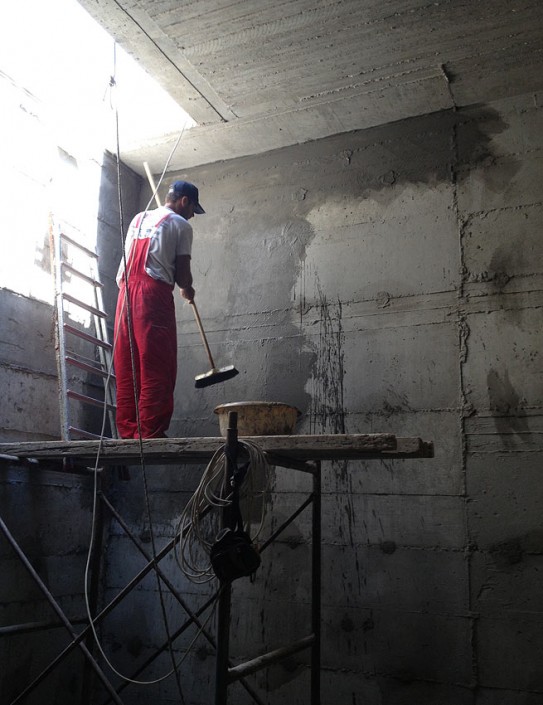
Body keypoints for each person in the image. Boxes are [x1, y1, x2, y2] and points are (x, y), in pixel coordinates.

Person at [113, 180, 205, 439]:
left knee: (128, 364)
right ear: (184, 201)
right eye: (193, 210)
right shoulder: (181, 225)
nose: (192, 216)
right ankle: (149, 432)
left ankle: (129, 431)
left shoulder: (139, 218)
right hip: (151, 296)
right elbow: (182, 276)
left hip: (124, 294)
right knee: (157, 364)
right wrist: (187, 288)